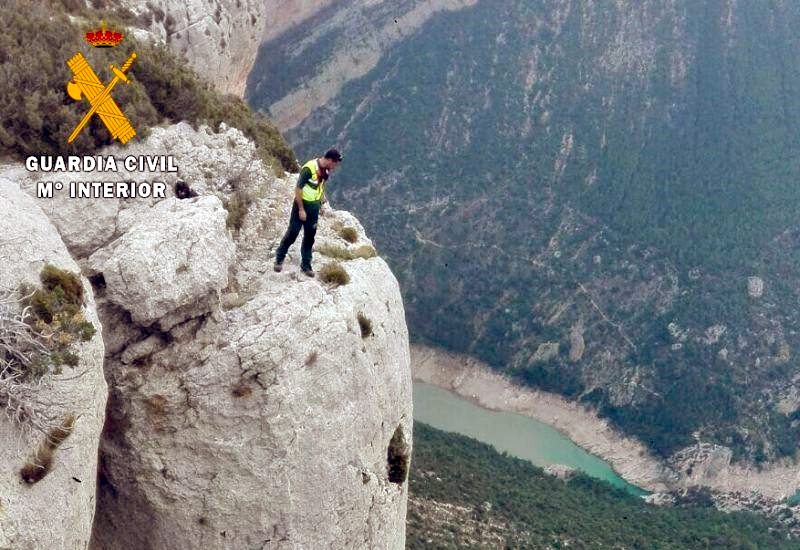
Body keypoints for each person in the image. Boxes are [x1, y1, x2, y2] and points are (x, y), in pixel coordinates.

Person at [273, 149, 342, 276]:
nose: (335, 166)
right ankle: (279, 256)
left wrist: (320, 201)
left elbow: (321, 185)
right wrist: (301, 209)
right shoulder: (309, 168)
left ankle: (306, 265)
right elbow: (298, 189)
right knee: (293, 232)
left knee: (310, 236)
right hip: (302, 205)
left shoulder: (326, 170)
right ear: (330, 160)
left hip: (314, 207)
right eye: (335, 163)